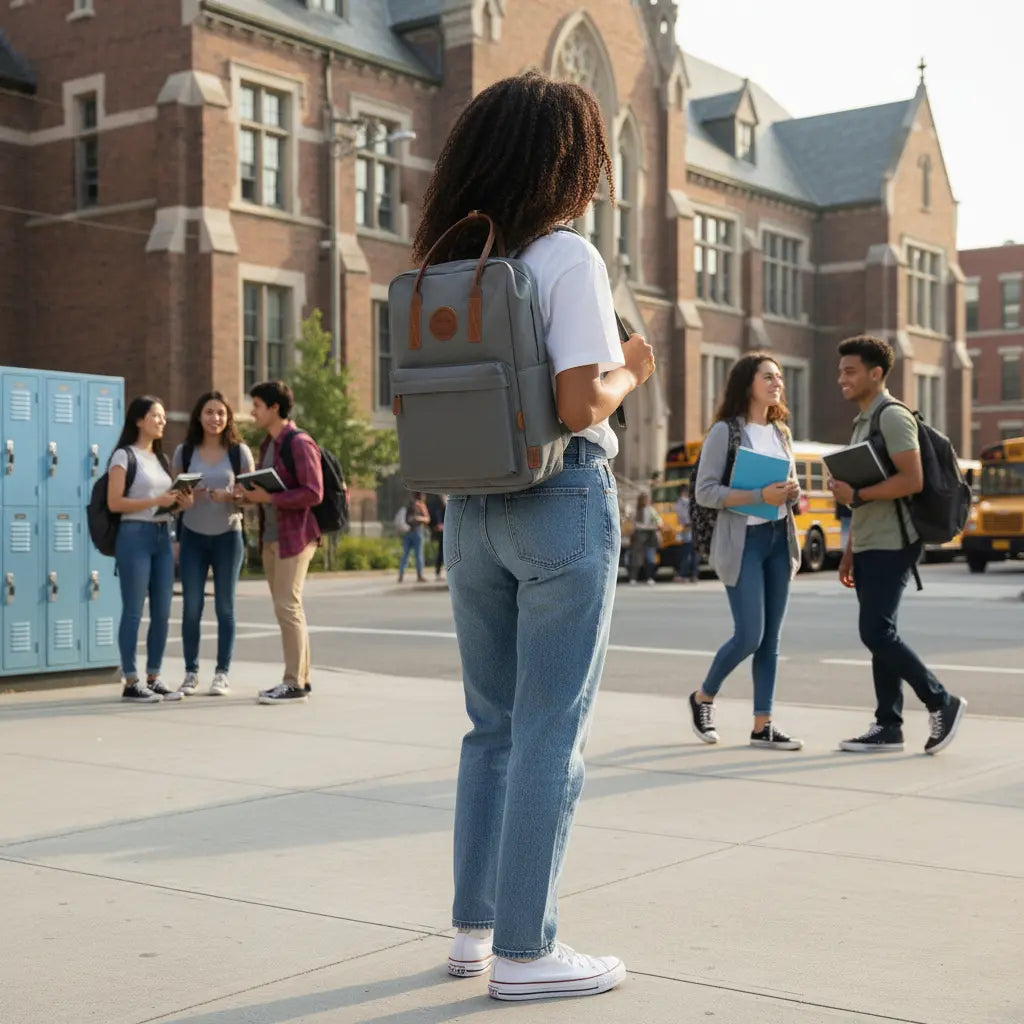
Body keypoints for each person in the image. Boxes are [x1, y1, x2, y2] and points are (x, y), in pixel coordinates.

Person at [412, 72, 655, 1000]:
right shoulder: (566, 256)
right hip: (560, 500)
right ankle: (526, 950)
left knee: (493, 730)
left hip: (471, 510)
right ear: (568, 161)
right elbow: (574, 401)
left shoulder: (452, 257)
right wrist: (629, 372)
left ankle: (474, 933)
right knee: (554, 729)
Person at [829, 335, 966, 754]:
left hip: (895, 542)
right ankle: (888, 725)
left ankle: (942, 700)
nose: (842, 379)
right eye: (840, 372)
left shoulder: (892, 416)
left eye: (850, 371)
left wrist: (856, 495)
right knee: (879, 634)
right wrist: (850, 549)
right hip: (871, 542)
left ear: (876, 373)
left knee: (876, 631)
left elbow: (913, 480)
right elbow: (865, 492)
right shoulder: (863, 420)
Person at [689, 354, 804, 750]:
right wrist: (758, 495)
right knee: (749, 635)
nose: (777, 383)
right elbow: (705, 492)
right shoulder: (725, 432)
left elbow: (789, 488)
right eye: (768, 376)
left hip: (778, 540)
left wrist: (791, 493)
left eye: (780, 377)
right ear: (748, 383)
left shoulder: (782, 433)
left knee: (771, 640)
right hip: (744, 545)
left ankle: (762, 725)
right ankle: (703, 696)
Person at [233, 381, 323, 705]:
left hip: (295, 536)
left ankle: (293, 683)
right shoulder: (266, 444)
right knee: (287, 608)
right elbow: (272, 491)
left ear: (274, 408)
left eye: (256, 405)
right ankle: (303, 679)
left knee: (288, 607)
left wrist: (269, 496)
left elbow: (314, 491)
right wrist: (249, 496)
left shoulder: (299, 443)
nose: (252, 411)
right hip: (271, 535)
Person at [106, 395, 194, 703]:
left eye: (164, 416)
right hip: (134, 536)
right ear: (139, 420)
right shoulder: (123, 456)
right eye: (156, 416)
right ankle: (131, 680)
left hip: (162, 537)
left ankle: (154, 677)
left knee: (162, 612)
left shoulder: (161, 460)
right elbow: (114, 503)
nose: (162, 421)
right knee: (133, 611)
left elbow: (165, 504)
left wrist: (180, 504)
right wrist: (156, 501)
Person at [173, 391, 255, 697]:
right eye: (209, 412)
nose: (215, 418)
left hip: (228, 537)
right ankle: (190, 673)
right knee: (191, 608)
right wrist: (184, 501)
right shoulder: (184, 452)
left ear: (228, 417)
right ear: (199, 416)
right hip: (193, 536)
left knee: (225, 607)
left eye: (221, 413)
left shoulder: (239, 453)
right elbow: (174, 501)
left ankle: (222, 673)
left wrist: (232, 496)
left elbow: (250, 497)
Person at [397, 492, 430, 583]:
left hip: (407, 532)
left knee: (405, 554)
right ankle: (419, 576)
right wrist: (419, 518)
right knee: (418, 555)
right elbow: (427, 519)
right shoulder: (421, 505)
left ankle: (401, 574)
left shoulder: (408, 505)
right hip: (417, 532)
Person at [627, 493, 660, 584]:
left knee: (650, 557)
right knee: (636, 558)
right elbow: (633, 524)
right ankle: (633, 578)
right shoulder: (636, 511)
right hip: (639, 535)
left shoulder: (651, 510)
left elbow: (658, 521)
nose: (647, 501)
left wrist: (652, 525)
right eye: (645, 500)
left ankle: (649, 577)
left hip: (650, 535)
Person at [673, 484, 699, 583]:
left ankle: (683, 573)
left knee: (687, 552)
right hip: (694, 528)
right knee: (694, 553)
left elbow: (682, 517)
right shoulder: (691, 501)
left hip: (688, 528)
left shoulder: (681, 502)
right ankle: (694, 574)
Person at [428, 494, 447, 579]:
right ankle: (438, 571)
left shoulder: (447, 509)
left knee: (445, 552)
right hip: (441, 534)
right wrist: (437, 526)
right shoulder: (437, 509)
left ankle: (444, 571)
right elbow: (433, 521)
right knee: (441, 552)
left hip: (446, 533)